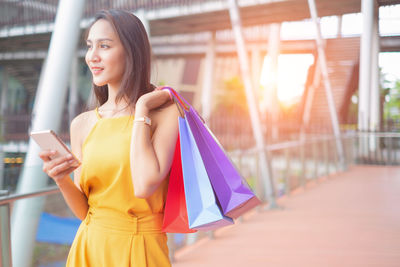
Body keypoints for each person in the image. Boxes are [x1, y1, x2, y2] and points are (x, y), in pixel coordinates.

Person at [39, 9, 178, 266]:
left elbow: (144, 184)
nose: (93, 56)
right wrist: (60, 178)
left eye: (104, 46)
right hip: (89, 247)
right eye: (90, 46)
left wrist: (142, 109)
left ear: (132, 51)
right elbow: (85, 211)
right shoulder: (82, 124)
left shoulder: (164, 112)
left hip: (142, 248)